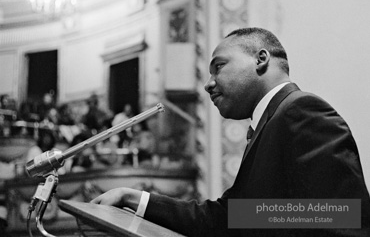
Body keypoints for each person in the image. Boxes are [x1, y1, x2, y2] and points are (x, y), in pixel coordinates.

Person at [91, 27, 370, 236]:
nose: (209, 84)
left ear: (261, 59)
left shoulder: (302, 111)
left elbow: (344, 216)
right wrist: (133, 197)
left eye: (219, 67)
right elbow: (228, 218)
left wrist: (255, 216)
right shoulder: (271, 121)